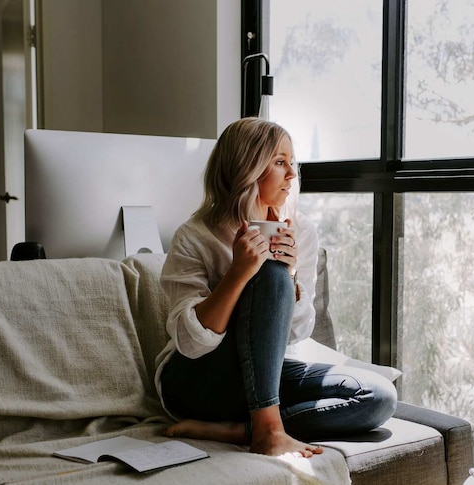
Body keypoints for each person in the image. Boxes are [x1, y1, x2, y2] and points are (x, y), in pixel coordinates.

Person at [153, 117, 398, 458]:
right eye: (280, 163)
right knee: (269, 273)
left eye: (292, 163)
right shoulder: (195, 236)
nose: (292, 175)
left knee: (377, 397)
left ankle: (244, 429)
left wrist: (291, 275)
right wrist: (239, 273)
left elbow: (296, 334)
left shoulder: (300, 231)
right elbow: (190, 344)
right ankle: (268, 432)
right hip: (195, 384)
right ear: (247, 168)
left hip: (260, 379)